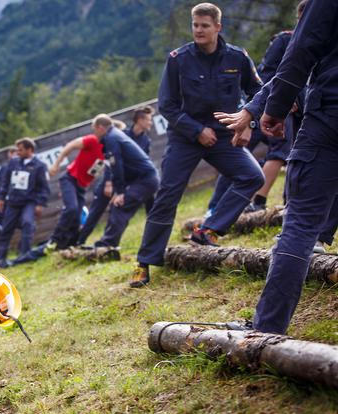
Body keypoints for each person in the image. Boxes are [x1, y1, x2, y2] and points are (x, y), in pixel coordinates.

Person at [220, 0, 338, 334]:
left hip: (331, 114)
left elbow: (302, 49)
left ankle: (267, 330)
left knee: (299, 223)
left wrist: (274, 108)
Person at [129, 2, 264, 288]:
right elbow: (167, 105)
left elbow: (258, 93)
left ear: (218, 27)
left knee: (253, 176)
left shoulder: (238, 57)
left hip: (224, 135)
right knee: (167, 195)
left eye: (205, 25)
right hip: (185, 137)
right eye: (195, 25)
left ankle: (208, 230)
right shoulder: (179, 59)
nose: (199, 30)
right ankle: (144, 263)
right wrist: (196, 130)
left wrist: (248, 124)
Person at [206, 0, 308, 216]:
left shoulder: (315, 42)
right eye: (303, 20)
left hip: (296, 109)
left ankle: (286, 202)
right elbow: (267, 75)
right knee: (242, 151)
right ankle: (220, 207)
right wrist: (280, 99)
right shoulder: (284, 40)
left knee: (287, 153)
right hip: (269, 105)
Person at [47, 114, 113, 250]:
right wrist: (56, 165)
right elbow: (70, 146)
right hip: (70, 179)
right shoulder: (91, 140)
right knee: (71, 209)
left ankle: (67, 246)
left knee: (77, 217)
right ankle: (54, 240)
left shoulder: (107, 149)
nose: (93, 130)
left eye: (94, 127)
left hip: (81, 186)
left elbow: (97, 169)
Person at [90, 125, 159, 254]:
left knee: (120, 205)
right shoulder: (113, 136)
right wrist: (118, 192)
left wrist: (120, 192)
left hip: (145, 180)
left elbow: (117, 166)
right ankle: (106, 243)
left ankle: (107, 245)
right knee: (116, 205)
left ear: (100, 127)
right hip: (143, 179)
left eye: (94, 129)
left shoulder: (111, 138)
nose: (94, 133)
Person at [0, 138, 50, 266]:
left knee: (27, 223)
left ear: (29, 149)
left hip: (29, 202)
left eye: (21, 149)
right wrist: (1, 198)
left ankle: (24, 255)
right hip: (13, 201)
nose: (17, 152)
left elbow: (44, 187)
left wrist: (40, 203)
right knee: (6, 228)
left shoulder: (39, 166)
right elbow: (5, 181)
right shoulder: (13, 163)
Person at [124, 106, 156, 213]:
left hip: (139, 177)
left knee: (150, 198)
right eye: (149, 120)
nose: (150, 123)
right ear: (140, 120)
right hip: (123, 177)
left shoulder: (146, 140)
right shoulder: (123, 136)